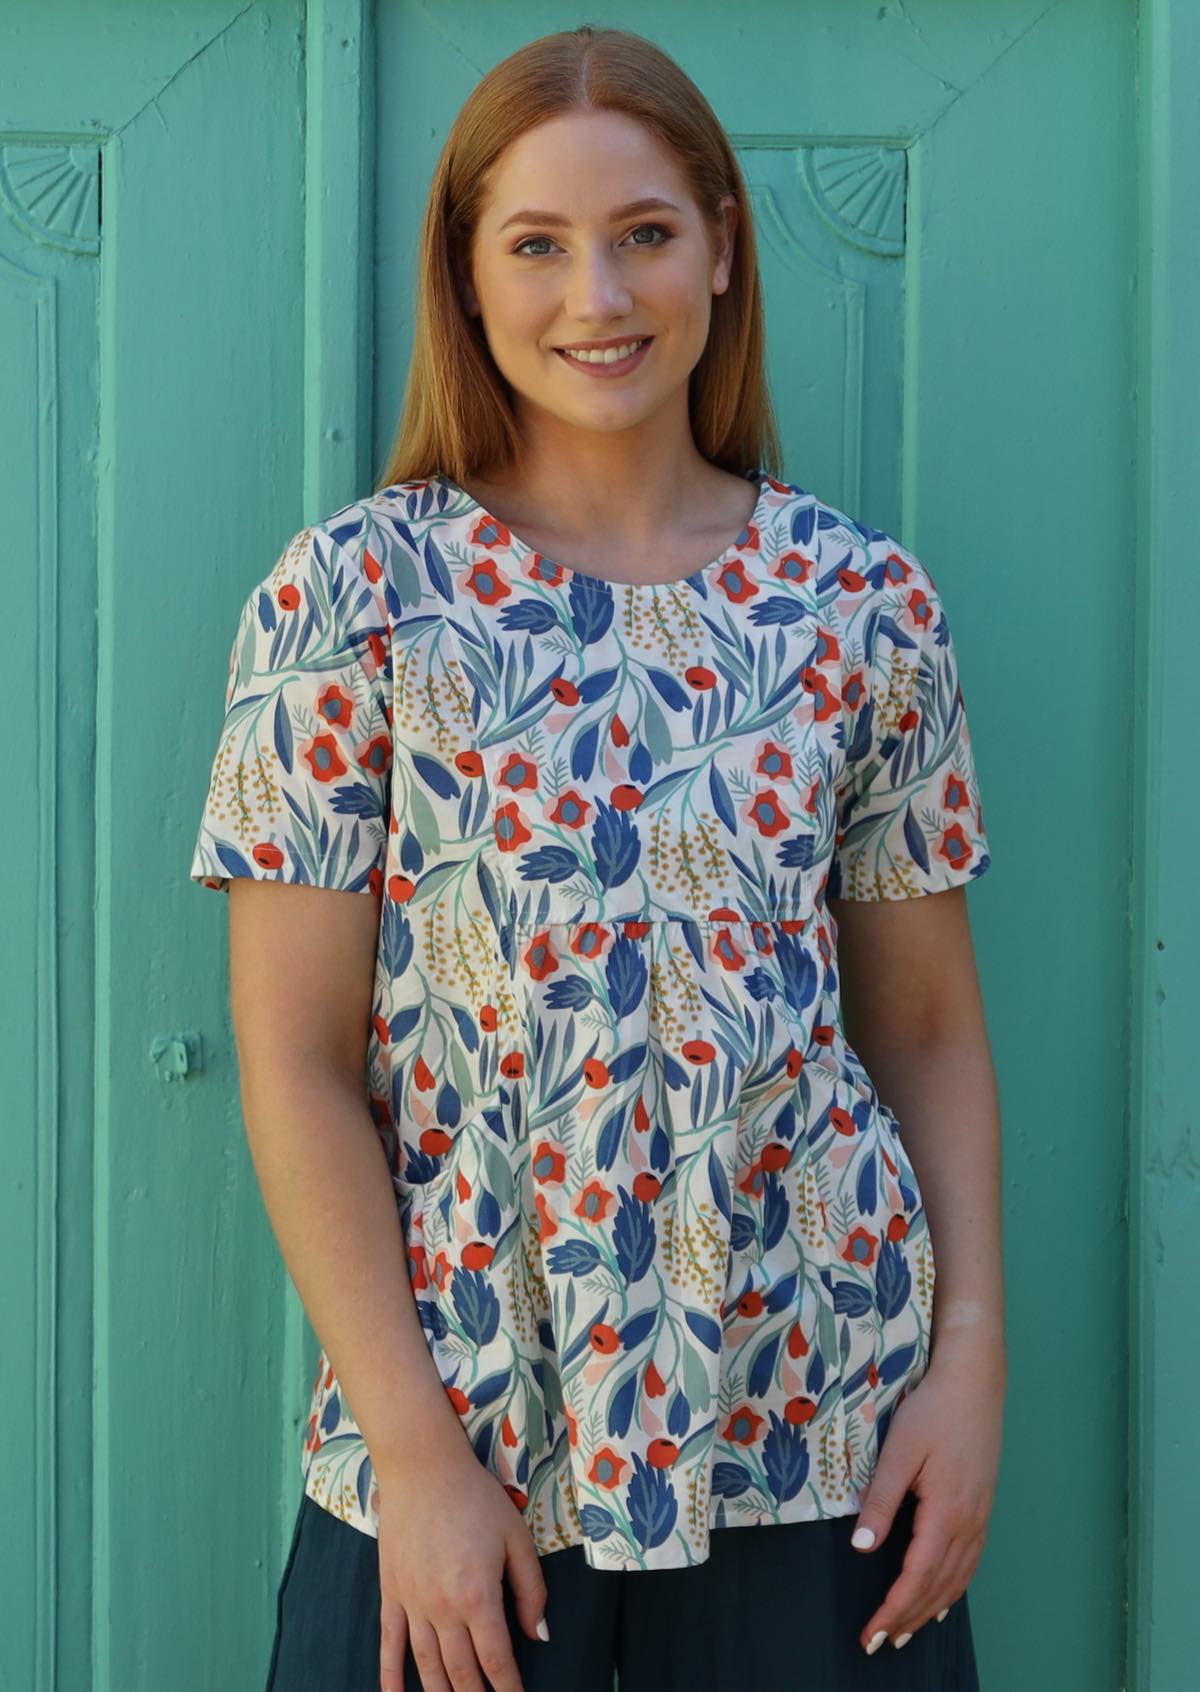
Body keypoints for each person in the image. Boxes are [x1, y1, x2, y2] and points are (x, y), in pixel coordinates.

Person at [189, 24, 1005, 1692]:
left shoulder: (863, 606)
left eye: (642, 232)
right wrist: (413, 1454)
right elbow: (291, 1056)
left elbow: (919, 1027)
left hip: (817, 1428)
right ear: (469, 280)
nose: (599, 297)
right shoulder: (351, 600)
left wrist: (971, 1366)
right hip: (474, 1441)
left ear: (720, 242)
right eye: (538, 245)